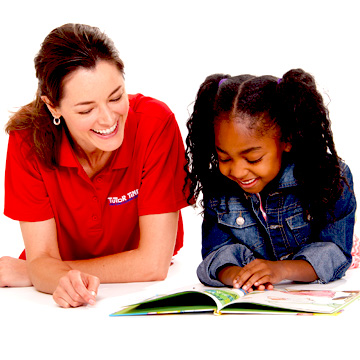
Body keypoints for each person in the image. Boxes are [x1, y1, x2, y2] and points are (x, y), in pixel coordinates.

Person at [0, 23, 188, 307]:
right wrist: (43, 271)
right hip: (58, 305)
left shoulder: (155, 124)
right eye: (86, 109)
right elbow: (42, 259)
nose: (107, 119)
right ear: (53, 107)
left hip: (138, 294)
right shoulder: (27, 140)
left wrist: (36, 272)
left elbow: (153, 264)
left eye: (116, 97)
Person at [185, 69, 356, 292]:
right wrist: (238, 276)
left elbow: (334, 252)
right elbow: (216, 252)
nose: (237, 171)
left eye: (253, 159)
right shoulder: (220, 186)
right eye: (224, 157)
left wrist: (281, 270)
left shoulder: (329, 176)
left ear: (287, 140)